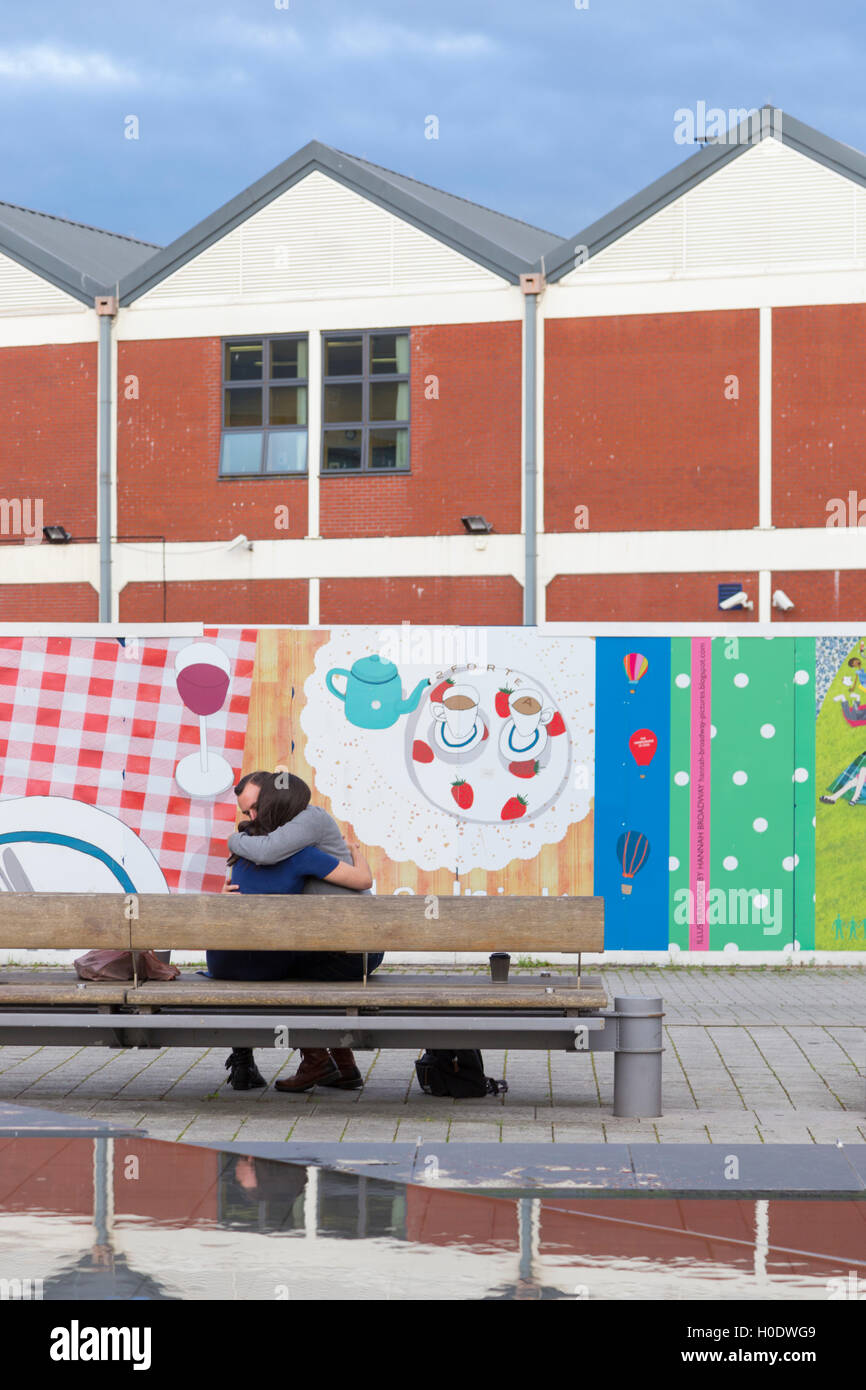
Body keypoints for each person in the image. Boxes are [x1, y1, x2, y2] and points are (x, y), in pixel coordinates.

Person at [216, 772, 383, 1094]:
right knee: (283, 969)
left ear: (272, 797)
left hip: (352, 947)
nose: (252, 817)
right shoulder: (285, 842)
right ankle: (343, 1067)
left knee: (279, 978)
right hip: (337, 944)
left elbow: (266, 851)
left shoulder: (305, 825)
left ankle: (316, 1060)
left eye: (254, 808)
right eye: (246, 813)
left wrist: (234, 839)